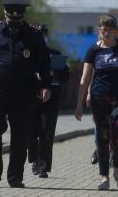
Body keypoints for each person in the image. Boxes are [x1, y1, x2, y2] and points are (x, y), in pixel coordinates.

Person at [0, 0, 51, 188]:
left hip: (23, 90)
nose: (14, 22)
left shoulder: (33, 35)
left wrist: (45, 85)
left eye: (18, 19)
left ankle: (15, 177)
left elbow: (44, 63)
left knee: (20, 134)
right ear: (5, 15)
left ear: (23, 17)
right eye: (11, 18)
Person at [75, 14, 118, 190]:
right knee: (102, 137)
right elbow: (84, 78)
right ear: (99, 30)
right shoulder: (93, 50)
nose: (105, 33)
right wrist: (79, 105)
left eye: (109, 30)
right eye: (102, 30)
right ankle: (104, 177)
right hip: (99, 99)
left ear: (115, 31)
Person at [28, 24, 70, 178]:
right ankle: (34, 159)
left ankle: (43, 167)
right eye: (39, 34)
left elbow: (66, 76)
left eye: (44, 34)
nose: (42, 37)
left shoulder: (55, 54)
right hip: (31, 98)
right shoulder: (27, 54)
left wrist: (54, 72)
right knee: (31, 132)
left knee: (46, 132)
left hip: (51, 97)